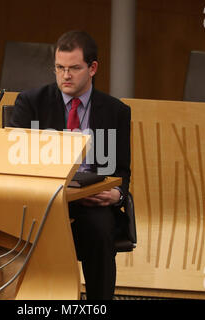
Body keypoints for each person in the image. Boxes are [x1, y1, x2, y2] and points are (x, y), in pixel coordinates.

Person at [9, 30, 131, 300]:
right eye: (60, 68)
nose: (66, 75)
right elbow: (14, 162)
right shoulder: (30, 103)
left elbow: (122, 170)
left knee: (101, 230)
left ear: (93, 68)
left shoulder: (116, 112)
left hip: (89, 202)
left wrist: (116, 194)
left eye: (74, 68)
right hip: (41, 203)